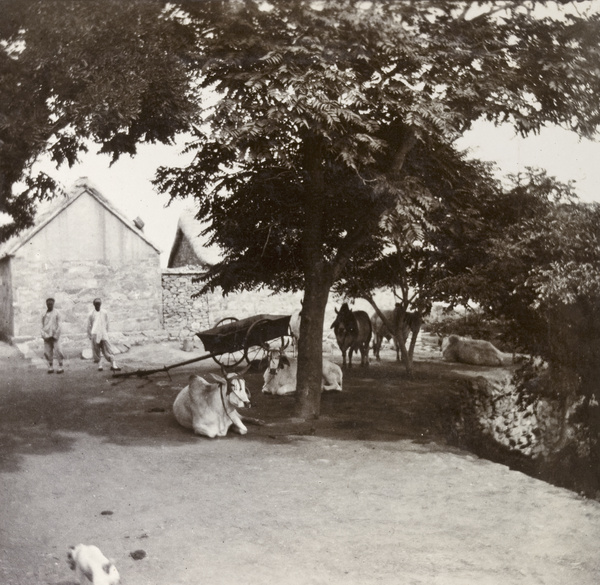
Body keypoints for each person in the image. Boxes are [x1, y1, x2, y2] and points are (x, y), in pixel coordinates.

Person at [86, 298, 120, 371]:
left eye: (99, 304)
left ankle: (113, 365)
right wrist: (90, 335)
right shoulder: (91, 314)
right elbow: (89, 325)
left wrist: (105, 332)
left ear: (101, 304)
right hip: (95, 333)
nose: (98, 305)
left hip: (103, 333)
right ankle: (100, 365)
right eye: (96, 304)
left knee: (108, 349)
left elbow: (107, 323)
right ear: (94, 304)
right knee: (96, 350)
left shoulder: (104, 312)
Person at [41, 297, 64, 374]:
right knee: (47, 352)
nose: (49, 305)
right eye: (48, 304)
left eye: (51, 304)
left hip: (55, 335)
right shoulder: (43, 314)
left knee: (58, 350)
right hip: (47, 336)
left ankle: (60, 366)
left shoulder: (57, 313)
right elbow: (41, 325)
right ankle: (50, 366)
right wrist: (44, 334)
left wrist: (56, 335)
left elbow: (60, 325)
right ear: (46, 304)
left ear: (53, 304)